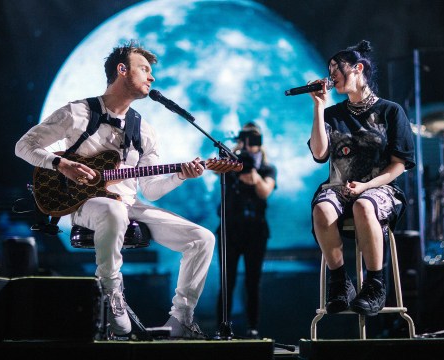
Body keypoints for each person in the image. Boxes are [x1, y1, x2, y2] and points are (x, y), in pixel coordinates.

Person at [15, 40, 216, 339]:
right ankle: (111, 295)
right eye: (144, 69)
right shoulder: (77, 112)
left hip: (128, 201)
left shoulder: (144, 129)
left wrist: (181, 176)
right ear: (122, 70)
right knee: (112, 209)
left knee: (202, 238)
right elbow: (24, 146)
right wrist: (60, 164)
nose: (152, 77)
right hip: (84, 202)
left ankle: (181, 318)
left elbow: (152, 188)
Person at [307, 40, 415, 316]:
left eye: (336, 68)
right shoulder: (332, 114)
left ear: (357, 68)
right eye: (328, 69)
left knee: (364, 205)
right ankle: (340, 282)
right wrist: (319, 107)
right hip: (339, 185)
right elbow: (319, 154)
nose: (331, 75)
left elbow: (398, 166)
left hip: (379, 188)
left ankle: (375, 284)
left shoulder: (391, 112)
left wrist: (367, 185)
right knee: (321, 207)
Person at [216, 122, 277, 339]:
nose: (251, 143)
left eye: (254, 139)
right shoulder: (231, 164)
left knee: (253, 281)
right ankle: (222, 327)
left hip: (255, 231)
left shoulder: (267, 169)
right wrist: (236, 153)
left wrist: (253, 173)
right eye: (246, 138)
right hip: (230, 229)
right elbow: (215, 171)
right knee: (227, 280)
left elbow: (264, 192)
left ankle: (253, 327)